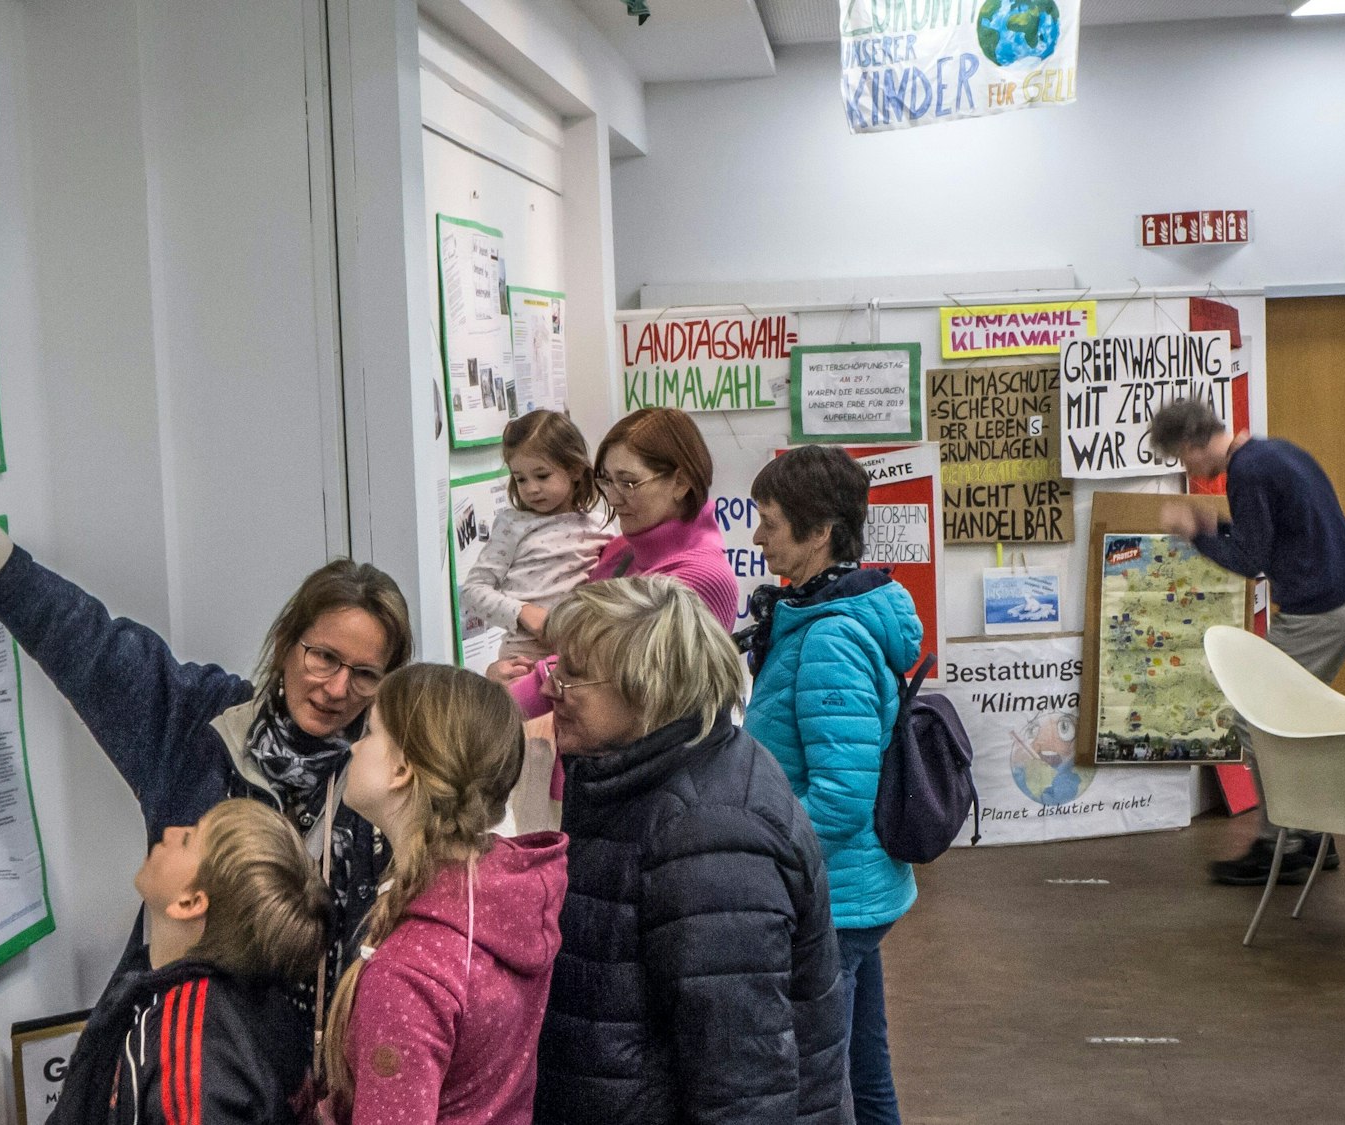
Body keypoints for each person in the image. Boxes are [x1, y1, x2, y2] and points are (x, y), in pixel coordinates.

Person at [0, 440, 413, 1001]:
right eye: (323, 657)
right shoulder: (200, 725)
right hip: (172, 1040)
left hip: (312, 1067)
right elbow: (87, 640)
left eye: (365, 674)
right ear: (286, 645)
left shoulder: (387, 785)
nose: (336, 689)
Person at [533, 577, 846, 1125]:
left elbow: (744, 1085)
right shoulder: (637, 776)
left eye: (574, 676)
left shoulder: (711, 840)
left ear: (647, 690)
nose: (551, 687)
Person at [737, 446, 923, 1125]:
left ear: (819, 532)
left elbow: (840, 799)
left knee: (820, 1087)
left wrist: (758, 850)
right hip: (850, 891)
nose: (756, 536)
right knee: (862, 1071)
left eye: (770, 520)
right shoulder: (815, 619)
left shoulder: (829, 640)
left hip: (834, 894)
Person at [322, 664, 567, 1124]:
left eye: (370, 733)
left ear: (401, 769)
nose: (354, 746)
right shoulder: (511, 897)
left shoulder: (408, 974)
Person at [1151, 397, 1345, 886]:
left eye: (1180, 458)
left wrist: (1196, 535)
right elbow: (1273, 536)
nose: (1187, 467)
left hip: (1319, 611)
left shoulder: (1246, 472)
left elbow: (1251, 561)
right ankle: (1312, 836)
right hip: (1342, 600)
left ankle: (1284, 845)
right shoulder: (1275, 453)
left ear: (1191, 444)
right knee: (1296, 722)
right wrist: (1217, 527)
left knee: (1257, 719)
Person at [50, 798, 328, 1125]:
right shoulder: (261, 999)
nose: (169, 831)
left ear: (190, 902)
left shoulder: (185, 1051)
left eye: (187, 839)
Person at [491, 407, 738, 717]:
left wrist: (502, 698)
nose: (614, 497)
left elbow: (601, 670)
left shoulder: (701, 577)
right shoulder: (619, 548)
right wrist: (506, 673)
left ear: (681, 481)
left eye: (628, 482)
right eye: (607, 481)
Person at [460, 411, 610, 662]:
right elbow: (473, 591)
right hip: (522, 658)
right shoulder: (513, 525)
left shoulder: (600, 528)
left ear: (574, 469)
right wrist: (523, 612)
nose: (531, 488)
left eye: (542, 475)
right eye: (520, 479)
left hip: (578, 658)